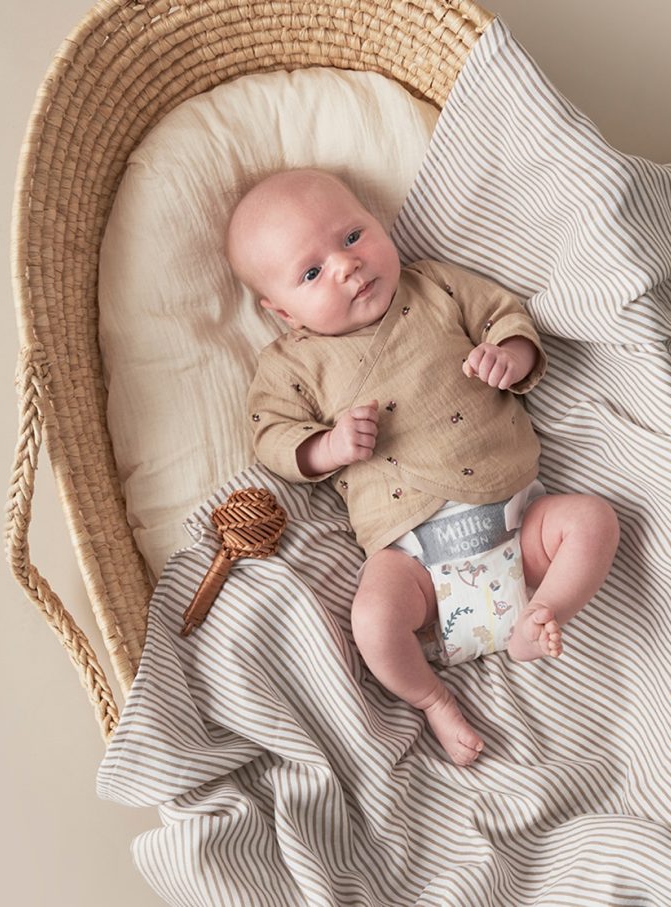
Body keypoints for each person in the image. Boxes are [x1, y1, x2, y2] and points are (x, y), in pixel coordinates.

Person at [227, 169, 620, 766]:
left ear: (376, 221)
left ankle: (543, 614)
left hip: (520, 521)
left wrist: (508, 357)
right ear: (283, 312)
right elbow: (271, 436)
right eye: (312, 273)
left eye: (353, 236)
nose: (346, 265)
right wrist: (328, 447)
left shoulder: (435, 285)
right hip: (414, 562)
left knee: (593, 521)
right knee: (372, 620)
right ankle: (434, 700)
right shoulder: (290, 365)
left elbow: (505, 316)